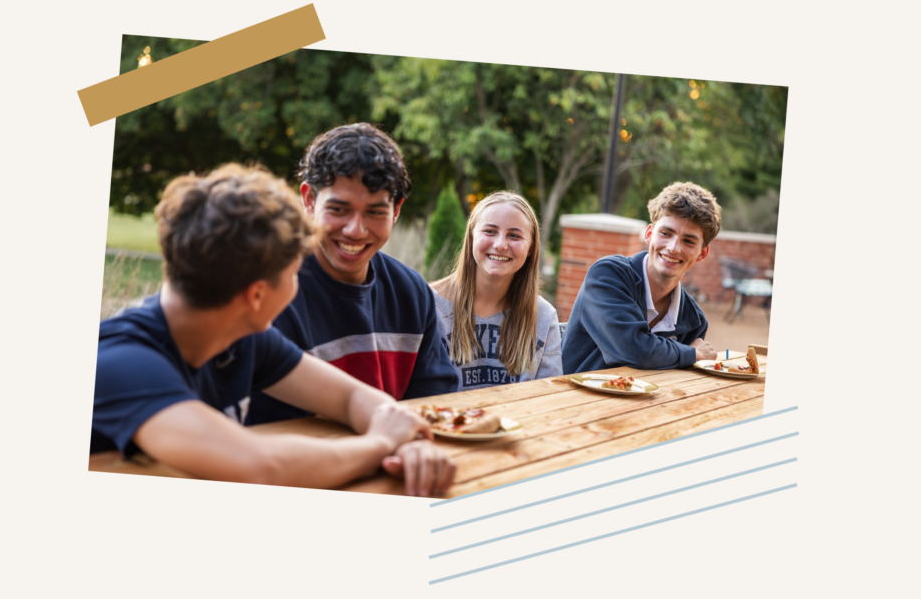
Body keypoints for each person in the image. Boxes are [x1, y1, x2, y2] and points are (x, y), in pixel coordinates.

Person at [92, 164, 455, 497]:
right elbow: (260, 466)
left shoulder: (242, 337)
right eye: (294, 272)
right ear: (257, 294)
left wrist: (407, 443)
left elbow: (351, 399)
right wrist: (379, 443)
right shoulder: (123, 362)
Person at [245, 124, 459, 425]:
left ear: (396, 209)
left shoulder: (412, 292)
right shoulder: (268, 294)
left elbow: (436, 405)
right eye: (339, 209)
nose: (355, 230)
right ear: (308, 201)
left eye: (375, 212)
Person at [561, 182, 721, 374]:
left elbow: (677, 381)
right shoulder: (607, 275)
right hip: (571, 400)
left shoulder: (694, 320)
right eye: (665, 233)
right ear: (649, 234)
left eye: (688, 241)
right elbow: (632, 350)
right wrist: (692, 353)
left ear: (702, 253)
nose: (673, 247)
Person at [429, 192, 562, 390]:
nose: (500, 245)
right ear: (472, 235)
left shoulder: (543, 316)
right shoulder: (428, 304)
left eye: (514, 235)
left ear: (531, 247)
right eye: (490, 231)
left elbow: (548, 400)